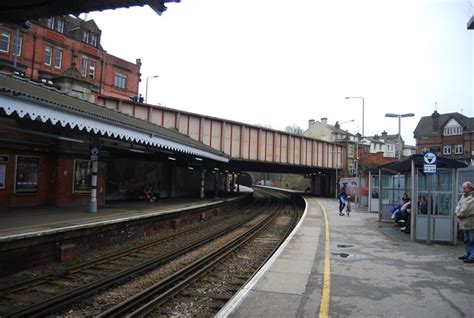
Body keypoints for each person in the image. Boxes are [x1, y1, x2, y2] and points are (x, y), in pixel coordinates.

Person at [455, 181, 474, 264]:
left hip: (471, 222)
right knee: (466, 239)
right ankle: (467, 254)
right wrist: (457, 212)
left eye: (464, 188)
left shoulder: (472, 197)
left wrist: (459, 214)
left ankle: (472, 256)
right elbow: (458, 205)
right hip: (464, 222)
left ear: (469, 188)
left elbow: (467, 209)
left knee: (472, 240)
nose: (463, 189)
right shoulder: (463, 196)